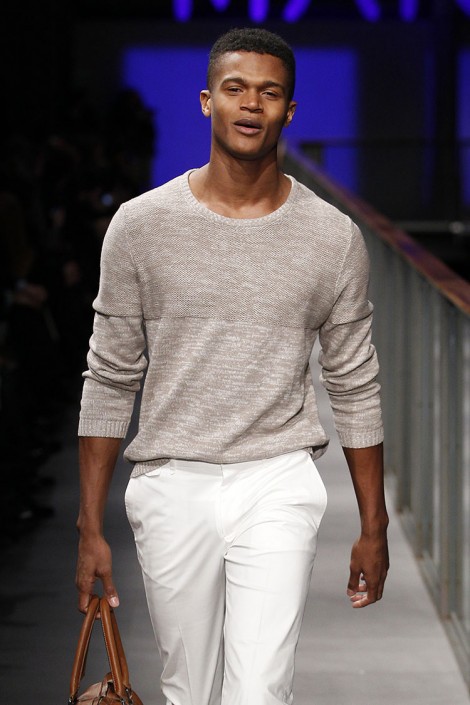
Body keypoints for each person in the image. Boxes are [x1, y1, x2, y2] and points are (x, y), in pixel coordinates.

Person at [76, 27, 389, 705]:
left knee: (260, 691)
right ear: (206, 101)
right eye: (235, 88)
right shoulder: (140, 225)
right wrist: (89, 526)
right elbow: (110, 377)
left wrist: (375, 525)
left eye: (269, 93)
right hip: (170, 480)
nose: (251, 104)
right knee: (186, 690)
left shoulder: (331, 237)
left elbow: (354, 383)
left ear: (289, 111)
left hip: (277, 478)